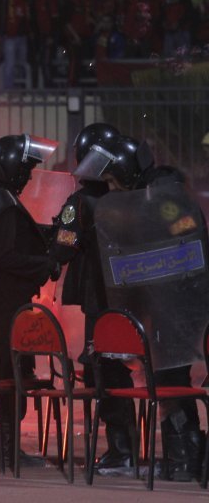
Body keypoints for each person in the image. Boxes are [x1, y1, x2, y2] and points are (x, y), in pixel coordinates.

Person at [89, 135, 205, 481]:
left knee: (173, 379)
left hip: (179, 308)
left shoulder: (166, 199)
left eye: (112, 181)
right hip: (165, 306)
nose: (110, 188)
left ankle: (185, 458)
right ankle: (180, 456)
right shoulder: (149, 196)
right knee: (165, 379)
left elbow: (185, 231)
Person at [0, 133, 60, 468]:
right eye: (28, 169)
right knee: (11, 377)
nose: (30, 176)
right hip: (8, 307)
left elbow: (6, 240)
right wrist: (46, 263)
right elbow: (6, 255)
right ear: (14, 168)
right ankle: (7, 450)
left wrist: (44, 233)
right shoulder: (4, 202)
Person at [51, 123, 136, 471]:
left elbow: (64, 245)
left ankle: (121, 450)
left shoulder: (79, 203)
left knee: (103, 370)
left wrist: (53, 241)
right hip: (127, 300)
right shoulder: (126, 199)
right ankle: (126, 447)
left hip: (99, 303)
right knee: (119, 369)